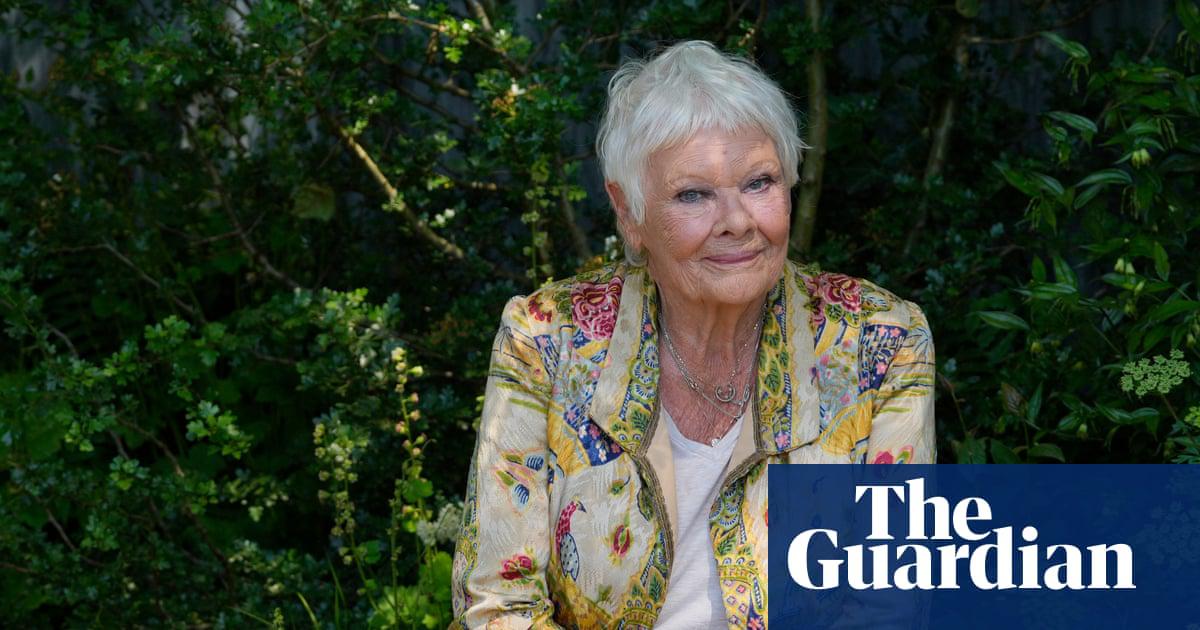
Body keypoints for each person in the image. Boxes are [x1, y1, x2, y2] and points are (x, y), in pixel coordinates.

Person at [450, 40, 935, 629]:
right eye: (693, 195)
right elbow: (498, 605)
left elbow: (889, 604)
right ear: (629, 214)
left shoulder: (879, 343)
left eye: (759, 183)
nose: (736, 221)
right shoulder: (548, 340)